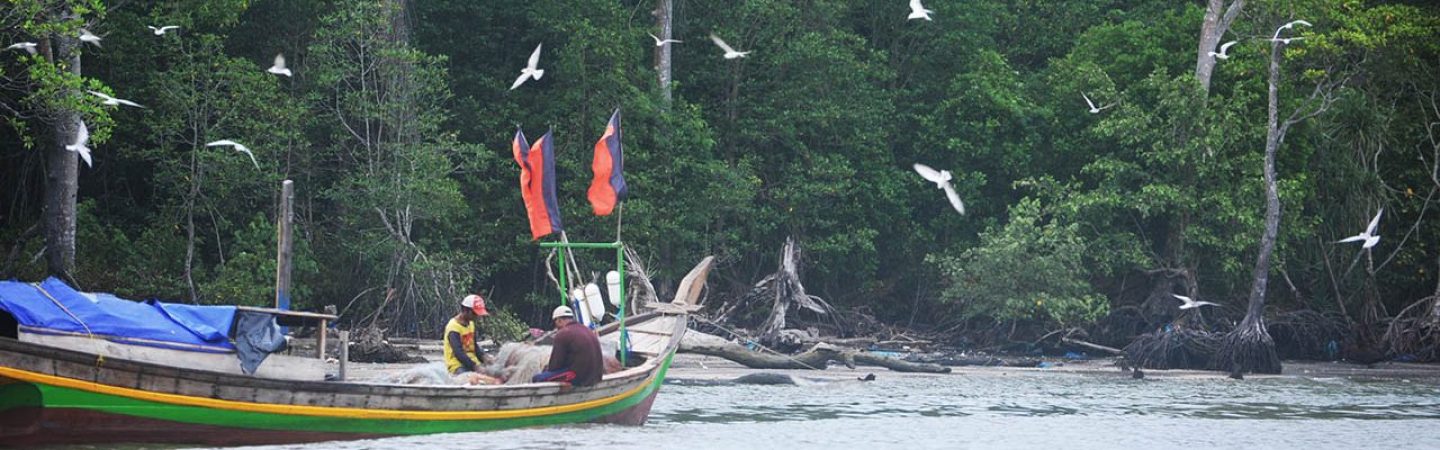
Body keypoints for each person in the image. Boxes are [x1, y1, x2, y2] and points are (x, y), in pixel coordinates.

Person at [532, 305, 603, 386]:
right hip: (596, 376)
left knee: (537, 378)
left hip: (580, 378)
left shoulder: (563, 333)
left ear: (559, 320)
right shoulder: (586, 329)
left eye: (555, 322)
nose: (556, 327)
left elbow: (555, 365)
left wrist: (547, 369)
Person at [443, 294, 490, 375]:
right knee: (471, 379)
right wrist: (475, 367)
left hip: (472, 362)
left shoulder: (471, 324)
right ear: (465, 310)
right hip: (457, 365)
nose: (477, 317)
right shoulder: (453, 328)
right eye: (474, 314)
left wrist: (484, 357)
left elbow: (474, 346)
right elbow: (459, 353)